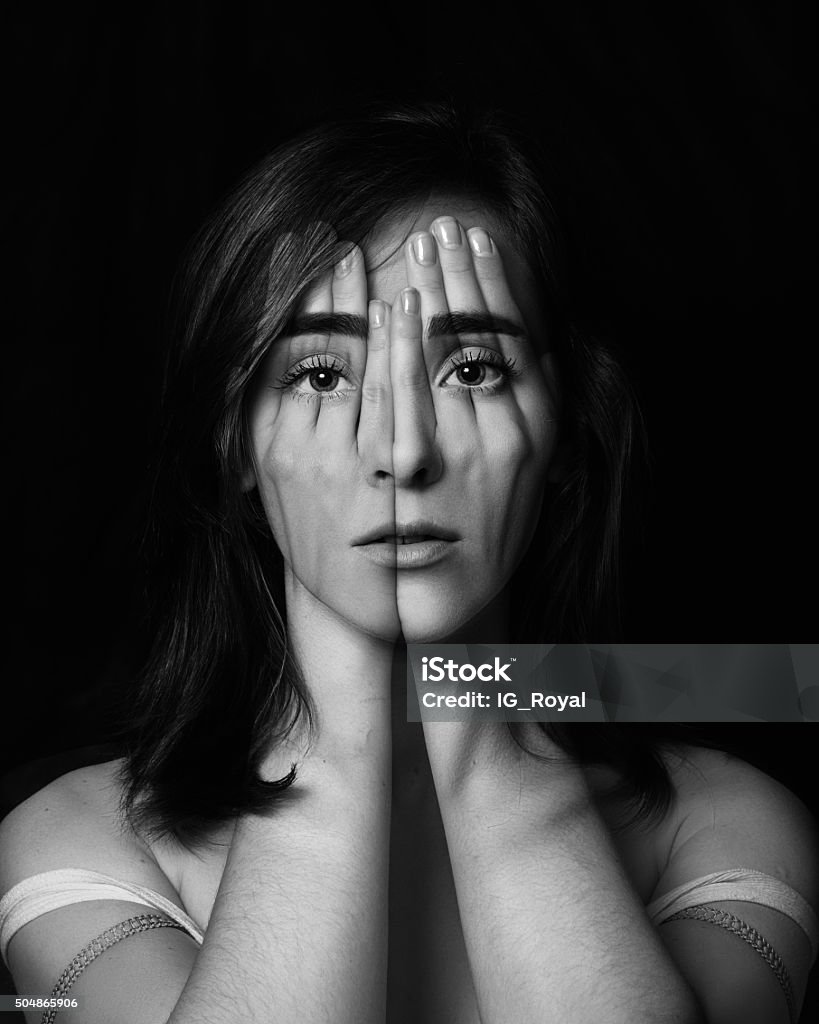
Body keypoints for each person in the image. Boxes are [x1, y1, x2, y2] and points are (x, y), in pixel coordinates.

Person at [0, 101, 817, 1024]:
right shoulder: (77, 838)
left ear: (562, 434)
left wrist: (479, 710)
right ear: (233, 448)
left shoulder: (723, 820)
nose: (400, 452)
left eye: (471, 370)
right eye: (319, 375)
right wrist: (334, 724)